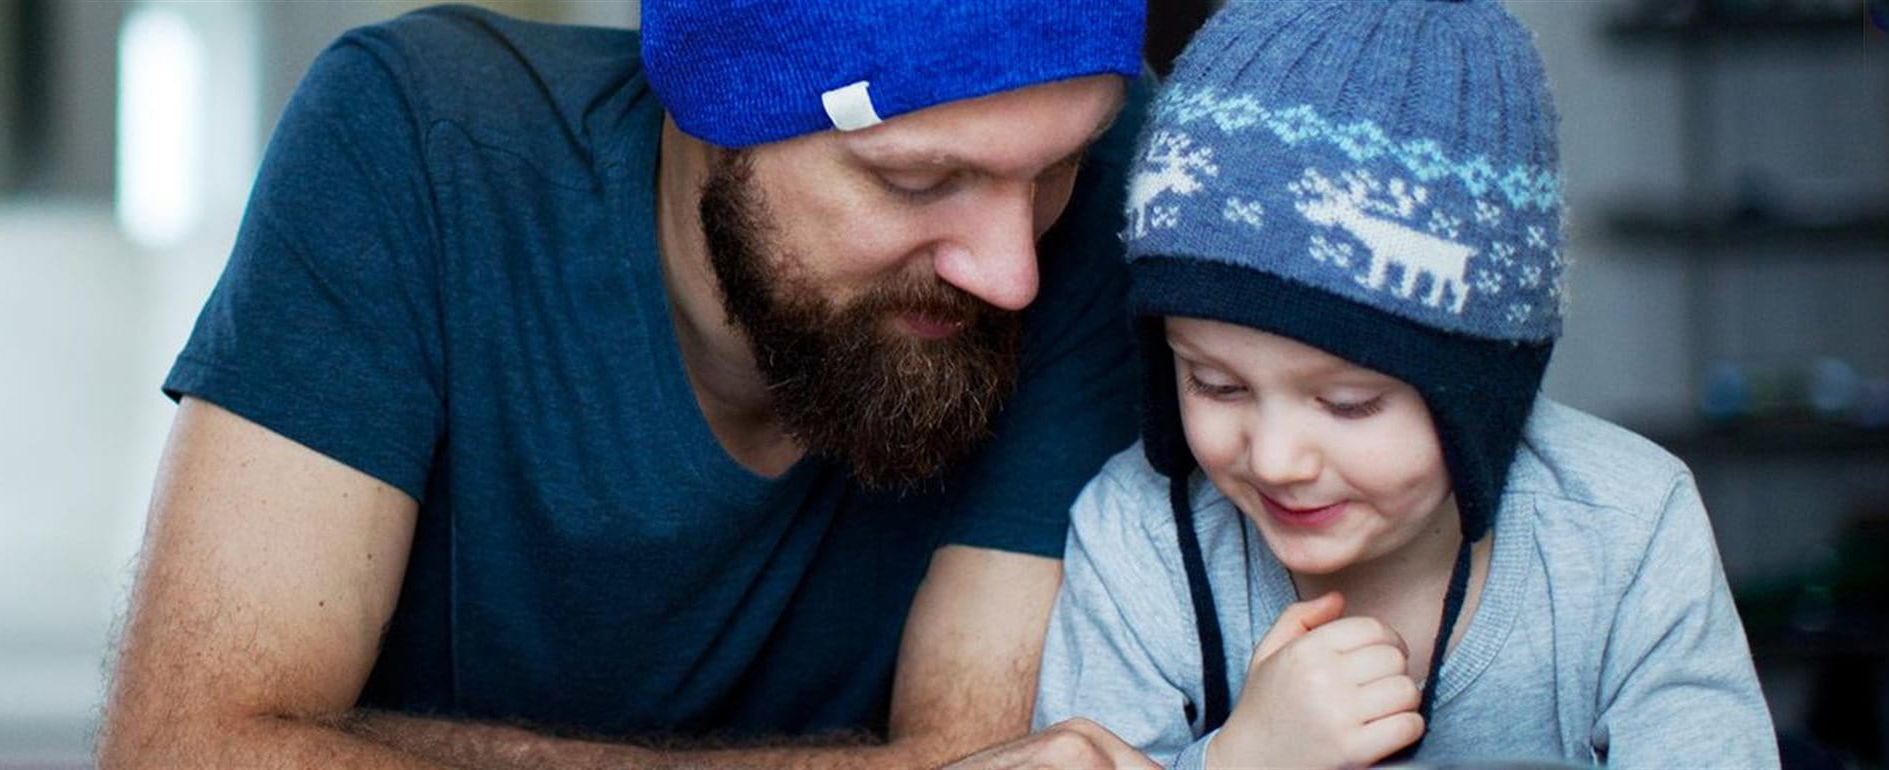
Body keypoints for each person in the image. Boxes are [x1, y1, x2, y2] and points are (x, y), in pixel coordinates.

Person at [98, 2, 1159, 767]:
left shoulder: (1101, 212)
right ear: (709, 115)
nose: (1012, 270)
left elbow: (989, 756)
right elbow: (182, 747)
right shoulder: (419, 146)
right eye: (918, 181)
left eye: (1052, 171)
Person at [1031, 0, 1781, 767]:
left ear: (1481, 395)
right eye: (1216, 384)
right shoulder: (1140, 539)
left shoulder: (1625, 527)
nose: (1279, 458)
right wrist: (1245, 760)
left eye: (1348, 403)